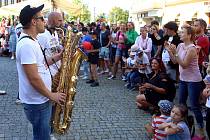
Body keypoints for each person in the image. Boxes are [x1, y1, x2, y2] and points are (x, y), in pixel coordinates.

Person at [16, 4, 66, 140]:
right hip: (38, 102)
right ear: (34, 21)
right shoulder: (27, 44)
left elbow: (42, 63)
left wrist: (59, 56)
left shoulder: (32, 41)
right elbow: (33, 78)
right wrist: (52, 95)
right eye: (42, 18)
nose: (45, 22)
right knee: (41, 137)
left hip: (40, 100)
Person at [166, 25, 205, 138]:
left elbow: (184, 64)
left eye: (182, 32)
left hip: (194, 80)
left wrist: (175, 53)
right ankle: (183, 125)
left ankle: (201, 127)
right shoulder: (180, 45)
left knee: (194, 105)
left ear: (189, 35)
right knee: (181, 104)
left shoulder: (192, 48)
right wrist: (170, 51)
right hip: (183, 79)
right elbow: (175, 61)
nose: (180, 34)